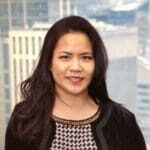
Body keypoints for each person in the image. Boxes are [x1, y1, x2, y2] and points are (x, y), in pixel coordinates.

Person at [5, 16, 146, 150]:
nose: (76, 67)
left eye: (86, 57)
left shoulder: (123, 122)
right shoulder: (24, 119)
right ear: (49, 62)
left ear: (96, 63)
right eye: (65, 57)